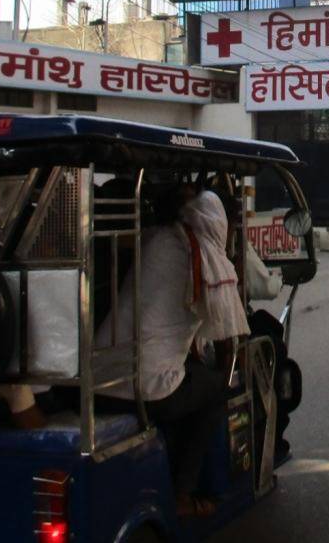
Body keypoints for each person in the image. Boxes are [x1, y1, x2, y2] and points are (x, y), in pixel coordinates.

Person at [97, 187, 249, 517]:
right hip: (146, 388)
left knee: (189, 382)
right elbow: (225, 331)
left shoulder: (159, 238)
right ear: (219, 222)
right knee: (215, 390)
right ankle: (182, 494)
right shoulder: (208, 260)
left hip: (100, 380)